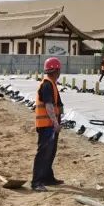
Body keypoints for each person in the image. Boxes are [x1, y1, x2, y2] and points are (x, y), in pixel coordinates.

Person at [32, 57, 64, 191]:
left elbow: (58, 105)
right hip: (47, 125)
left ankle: (47, 177)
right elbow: (49, 105)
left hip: (50, 125)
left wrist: (60, 118)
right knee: (43, 153)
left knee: (50, 153)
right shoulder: (47, 85)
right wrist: (55, 123)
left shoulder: (52, 84)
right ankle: (37, 182)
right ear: (56, 70)